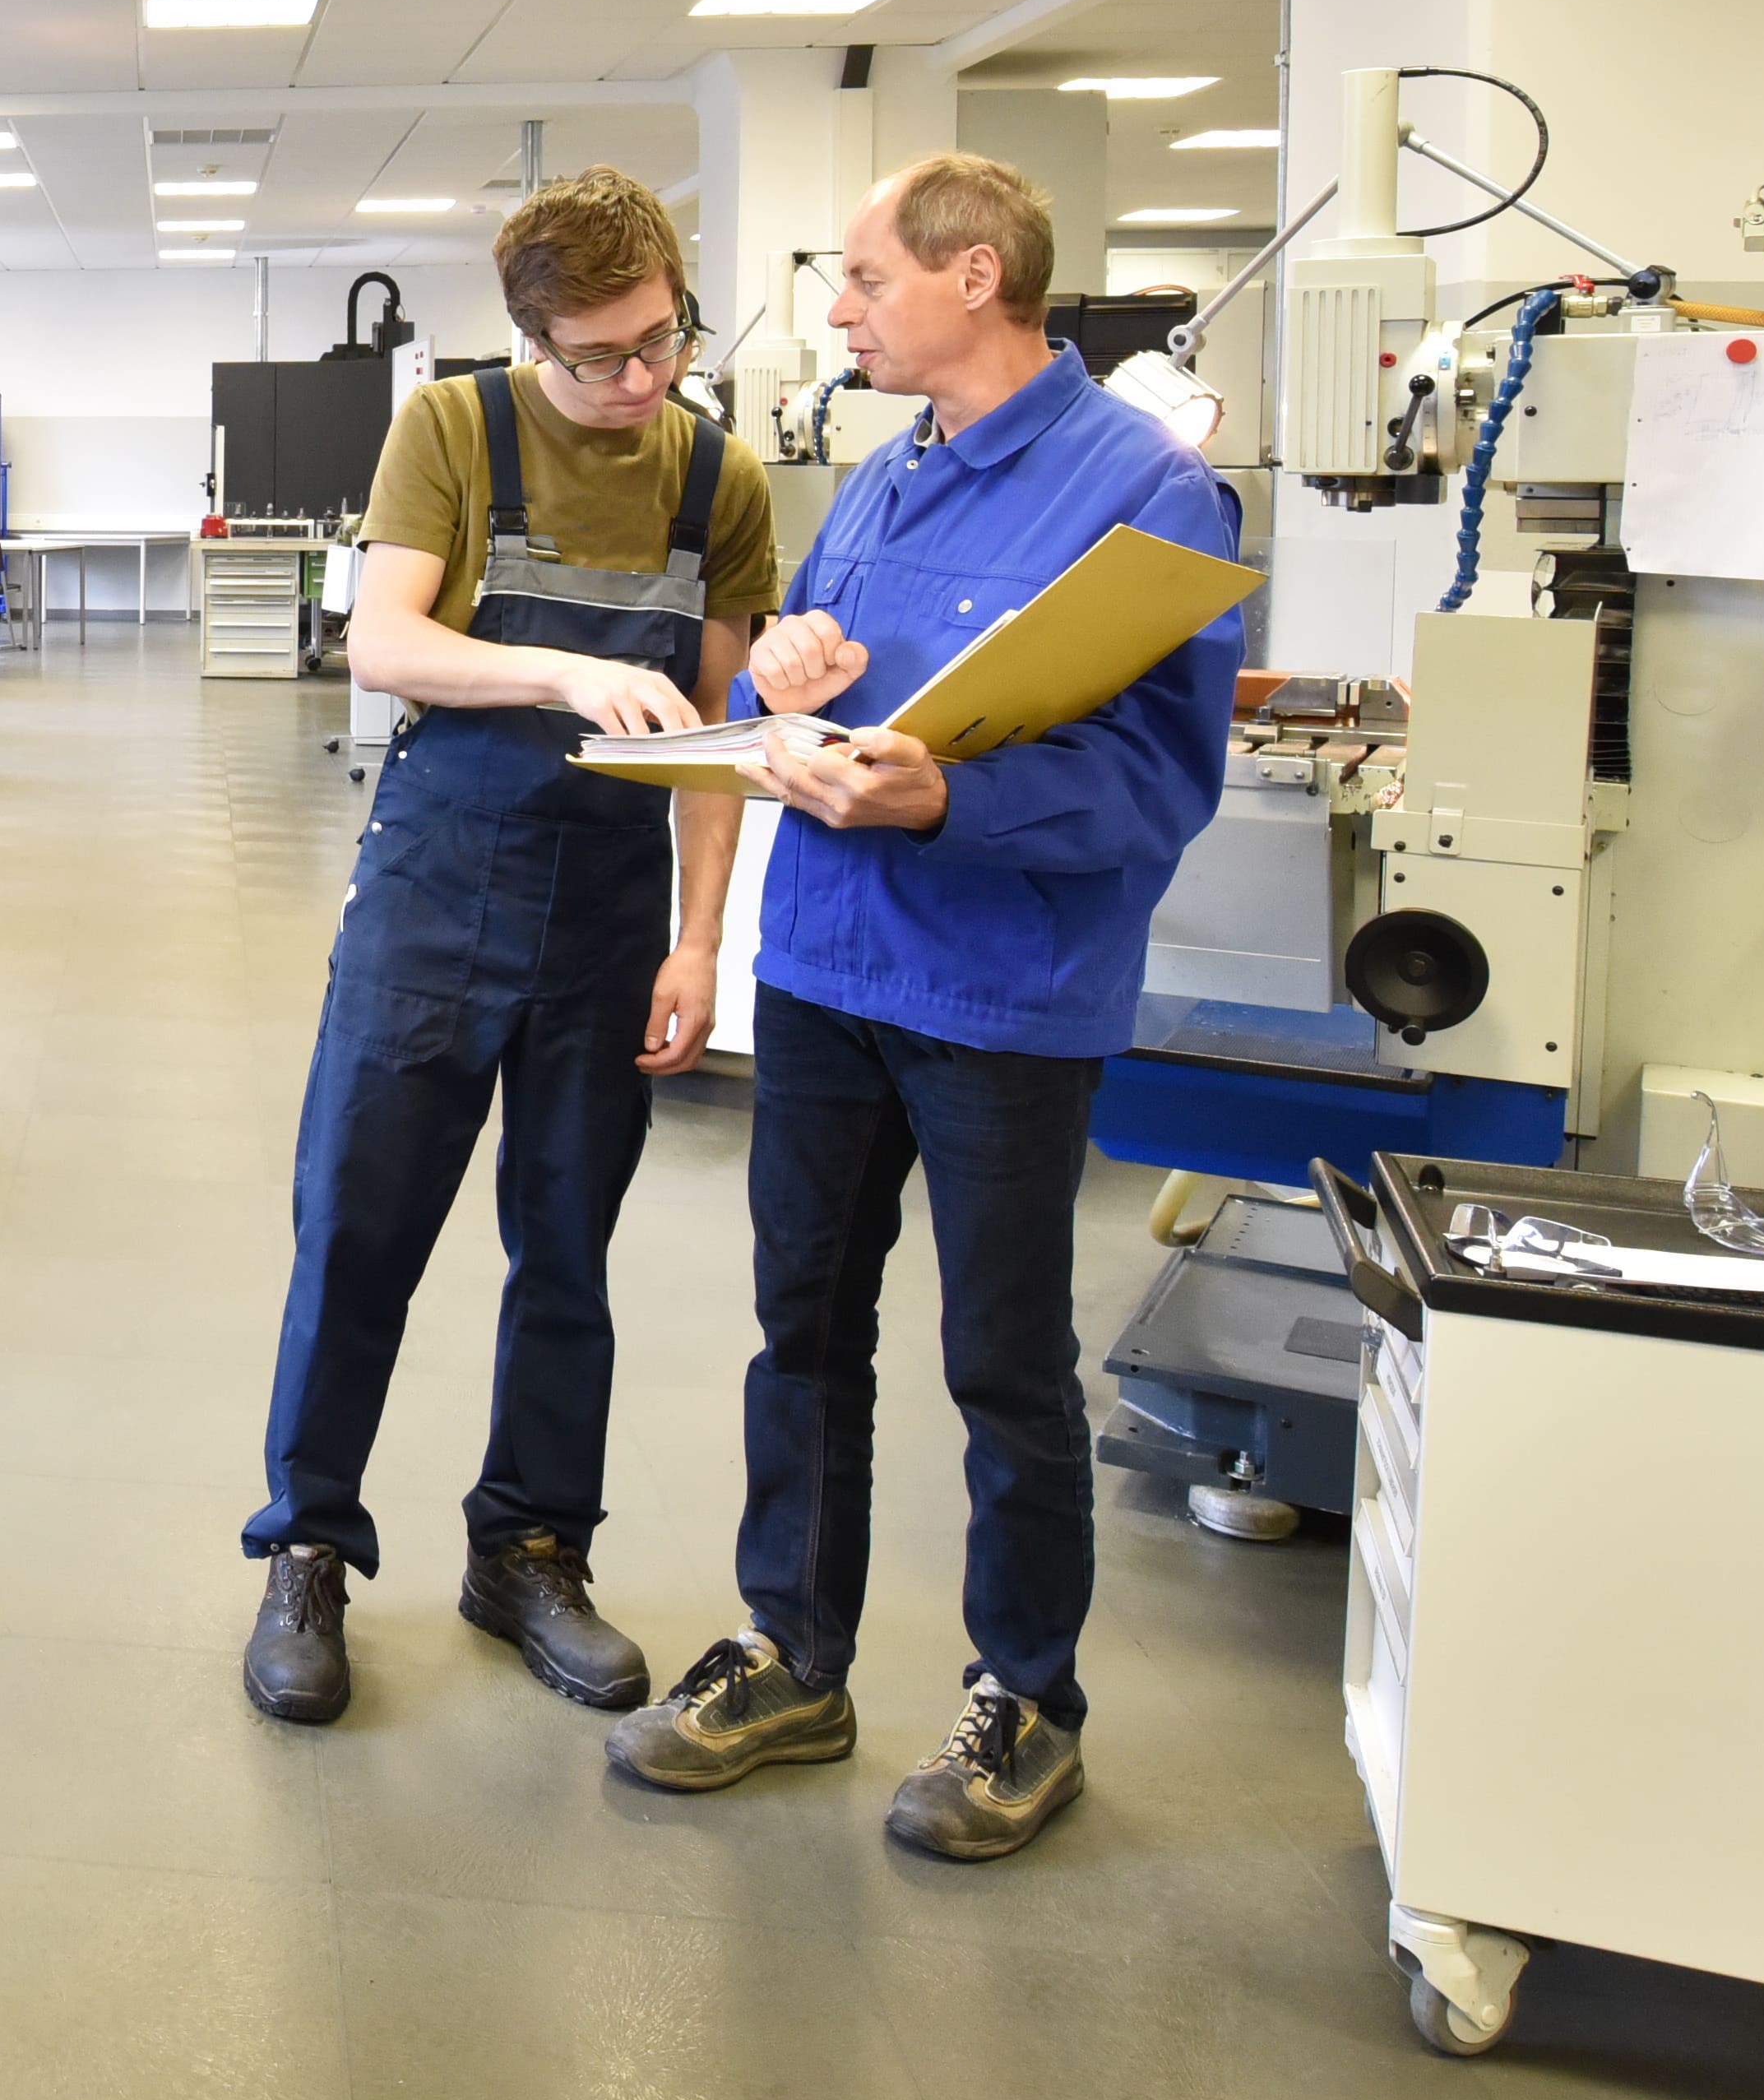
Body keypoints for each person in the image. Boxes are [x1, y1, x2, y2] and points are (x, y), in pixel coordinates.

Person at [604, 152, 1239, 1863]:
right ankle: (793, 1655)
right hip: (824, 968)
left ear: (974, 276)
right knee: (800, 1322)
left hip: (999, 990)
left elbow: (1147, 786)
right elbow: (825, 670)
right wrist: (790, 680)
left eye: (863, 279)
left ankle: (1025, 1696)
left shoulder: (1147, 497)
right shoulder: (891, 474)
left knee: (999, 1356)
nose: (836, 309)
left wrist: (944, 803)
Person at [238, 169, 777, 1727]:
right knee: (359, 1228)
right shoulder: (455, 431)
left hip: (610, 917)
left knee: (567, 1247)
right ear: (531, 334)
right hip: (438, 891)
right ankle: (309, 1551)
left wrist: (699, 948)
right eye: (598, 356)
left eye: (660, 342)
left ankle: (530, 1548)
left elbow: (724, 740)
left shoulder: (719, 479)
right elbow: (384, 641)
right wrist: (559, 673)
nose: (638, 381)